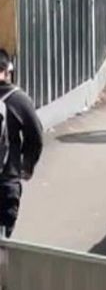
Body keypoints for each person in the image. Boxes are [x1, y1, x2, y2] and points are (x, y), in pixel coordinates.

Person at [0, 52, 45, 240]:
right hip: (7, 179)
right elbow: (35, 136)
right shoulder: (19, 99)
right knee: (4, 243)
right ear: (7, 71)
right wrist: (27, 165)